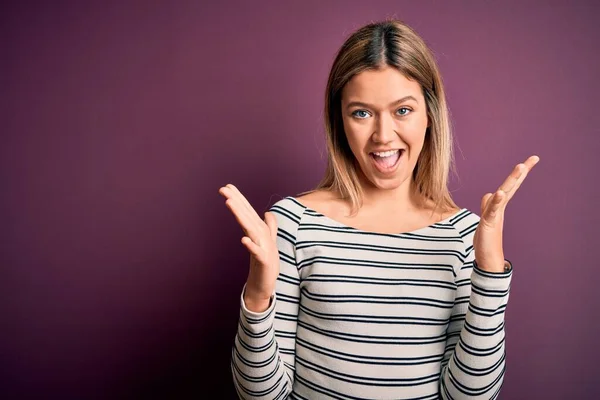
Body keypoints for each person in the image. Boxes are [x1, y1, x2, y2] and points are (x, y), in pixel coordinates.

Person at [219, 18, 539, 400]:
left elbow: (471, 397)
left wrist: (489, 273)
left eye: (402, 110)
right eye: (362, 113)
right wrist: (258, 295)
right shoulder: (292, 224)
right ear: (340, 121)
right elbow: (260, 396)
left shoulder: (463, 235)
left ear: (429, 116)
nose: (383, 136)